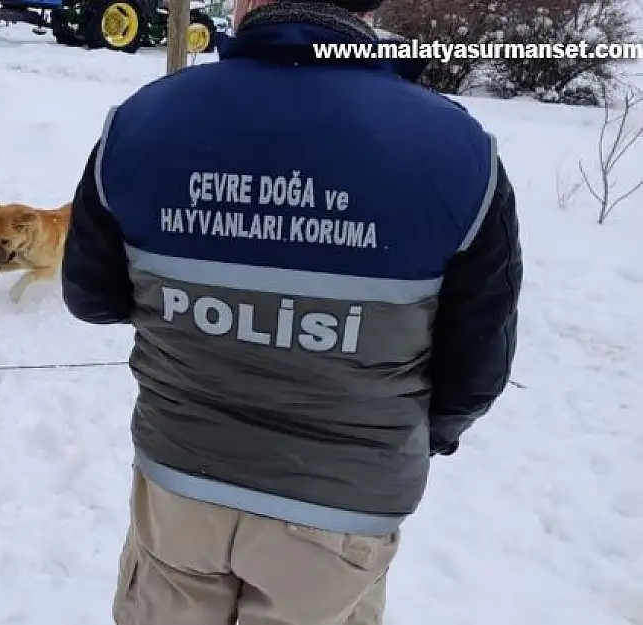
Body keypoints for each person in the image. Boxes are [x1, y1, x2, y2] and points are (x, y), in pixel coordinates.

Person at [59, 0, 523, 623]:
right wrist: (411, 436)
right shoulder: (459, 153)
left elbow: (92, 298)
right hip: (342, 511)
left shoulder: (141, 122)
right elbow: (476, 370)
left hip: (182, 483)